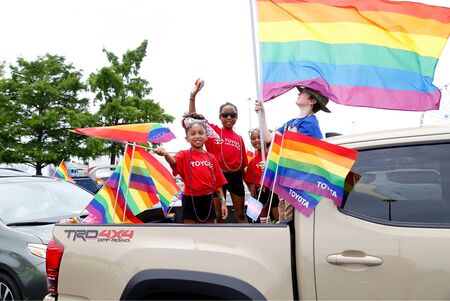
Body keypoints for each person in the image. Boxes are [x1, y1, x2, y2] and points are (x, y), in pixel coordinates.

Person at [255, 86, 331, 221]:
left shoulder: (310, 124)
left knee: (290, 221)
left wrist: (272, 164)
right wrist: (262, 113)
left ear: (312, 101)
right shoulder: (292, 122)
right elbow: (268, 138)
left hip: (298, 183)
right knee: (284, 217)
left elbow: (301, 156)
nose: (300, 93)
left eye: (304, 92)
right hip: (287, 180)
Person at [189, 82, 248, 223]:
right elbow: (192, 118)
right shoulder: (212, 131)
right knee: (218, 215)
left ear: (236, 117)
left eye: (232, 115)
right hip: (217, 177)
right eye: (225, 114)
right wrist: (192, 97)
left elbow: (243, 166)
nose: (229, 117)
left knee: (240, 214)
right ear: (220, 117)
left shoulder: (239, 138)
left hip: (236, 178)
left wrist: (253, 189)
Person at [155, 113, 228, 224]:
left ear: (206, 136)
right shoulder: (183, 154)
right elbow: (173, 161)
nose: (197, 136)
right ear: (187, 138)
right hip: (190, 199)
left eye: (201, 133)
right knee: (190, 232)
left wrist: (223, 202)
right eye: (192, 134)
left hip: (208, 199)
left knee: (207, 232)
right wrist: (165, 154)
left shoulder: (211, 157)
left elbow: (219, 183)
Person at [244, 128, 279, 223]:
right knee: (263, 218)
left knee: (277, 217)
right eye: (253, 138)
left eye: (259, 137)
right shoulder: (252, 162)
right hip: (260, 193)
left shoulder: (274, 157)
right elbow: (250, 183)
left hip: (274, 191)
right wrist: (253, 199)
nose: (256, 140)